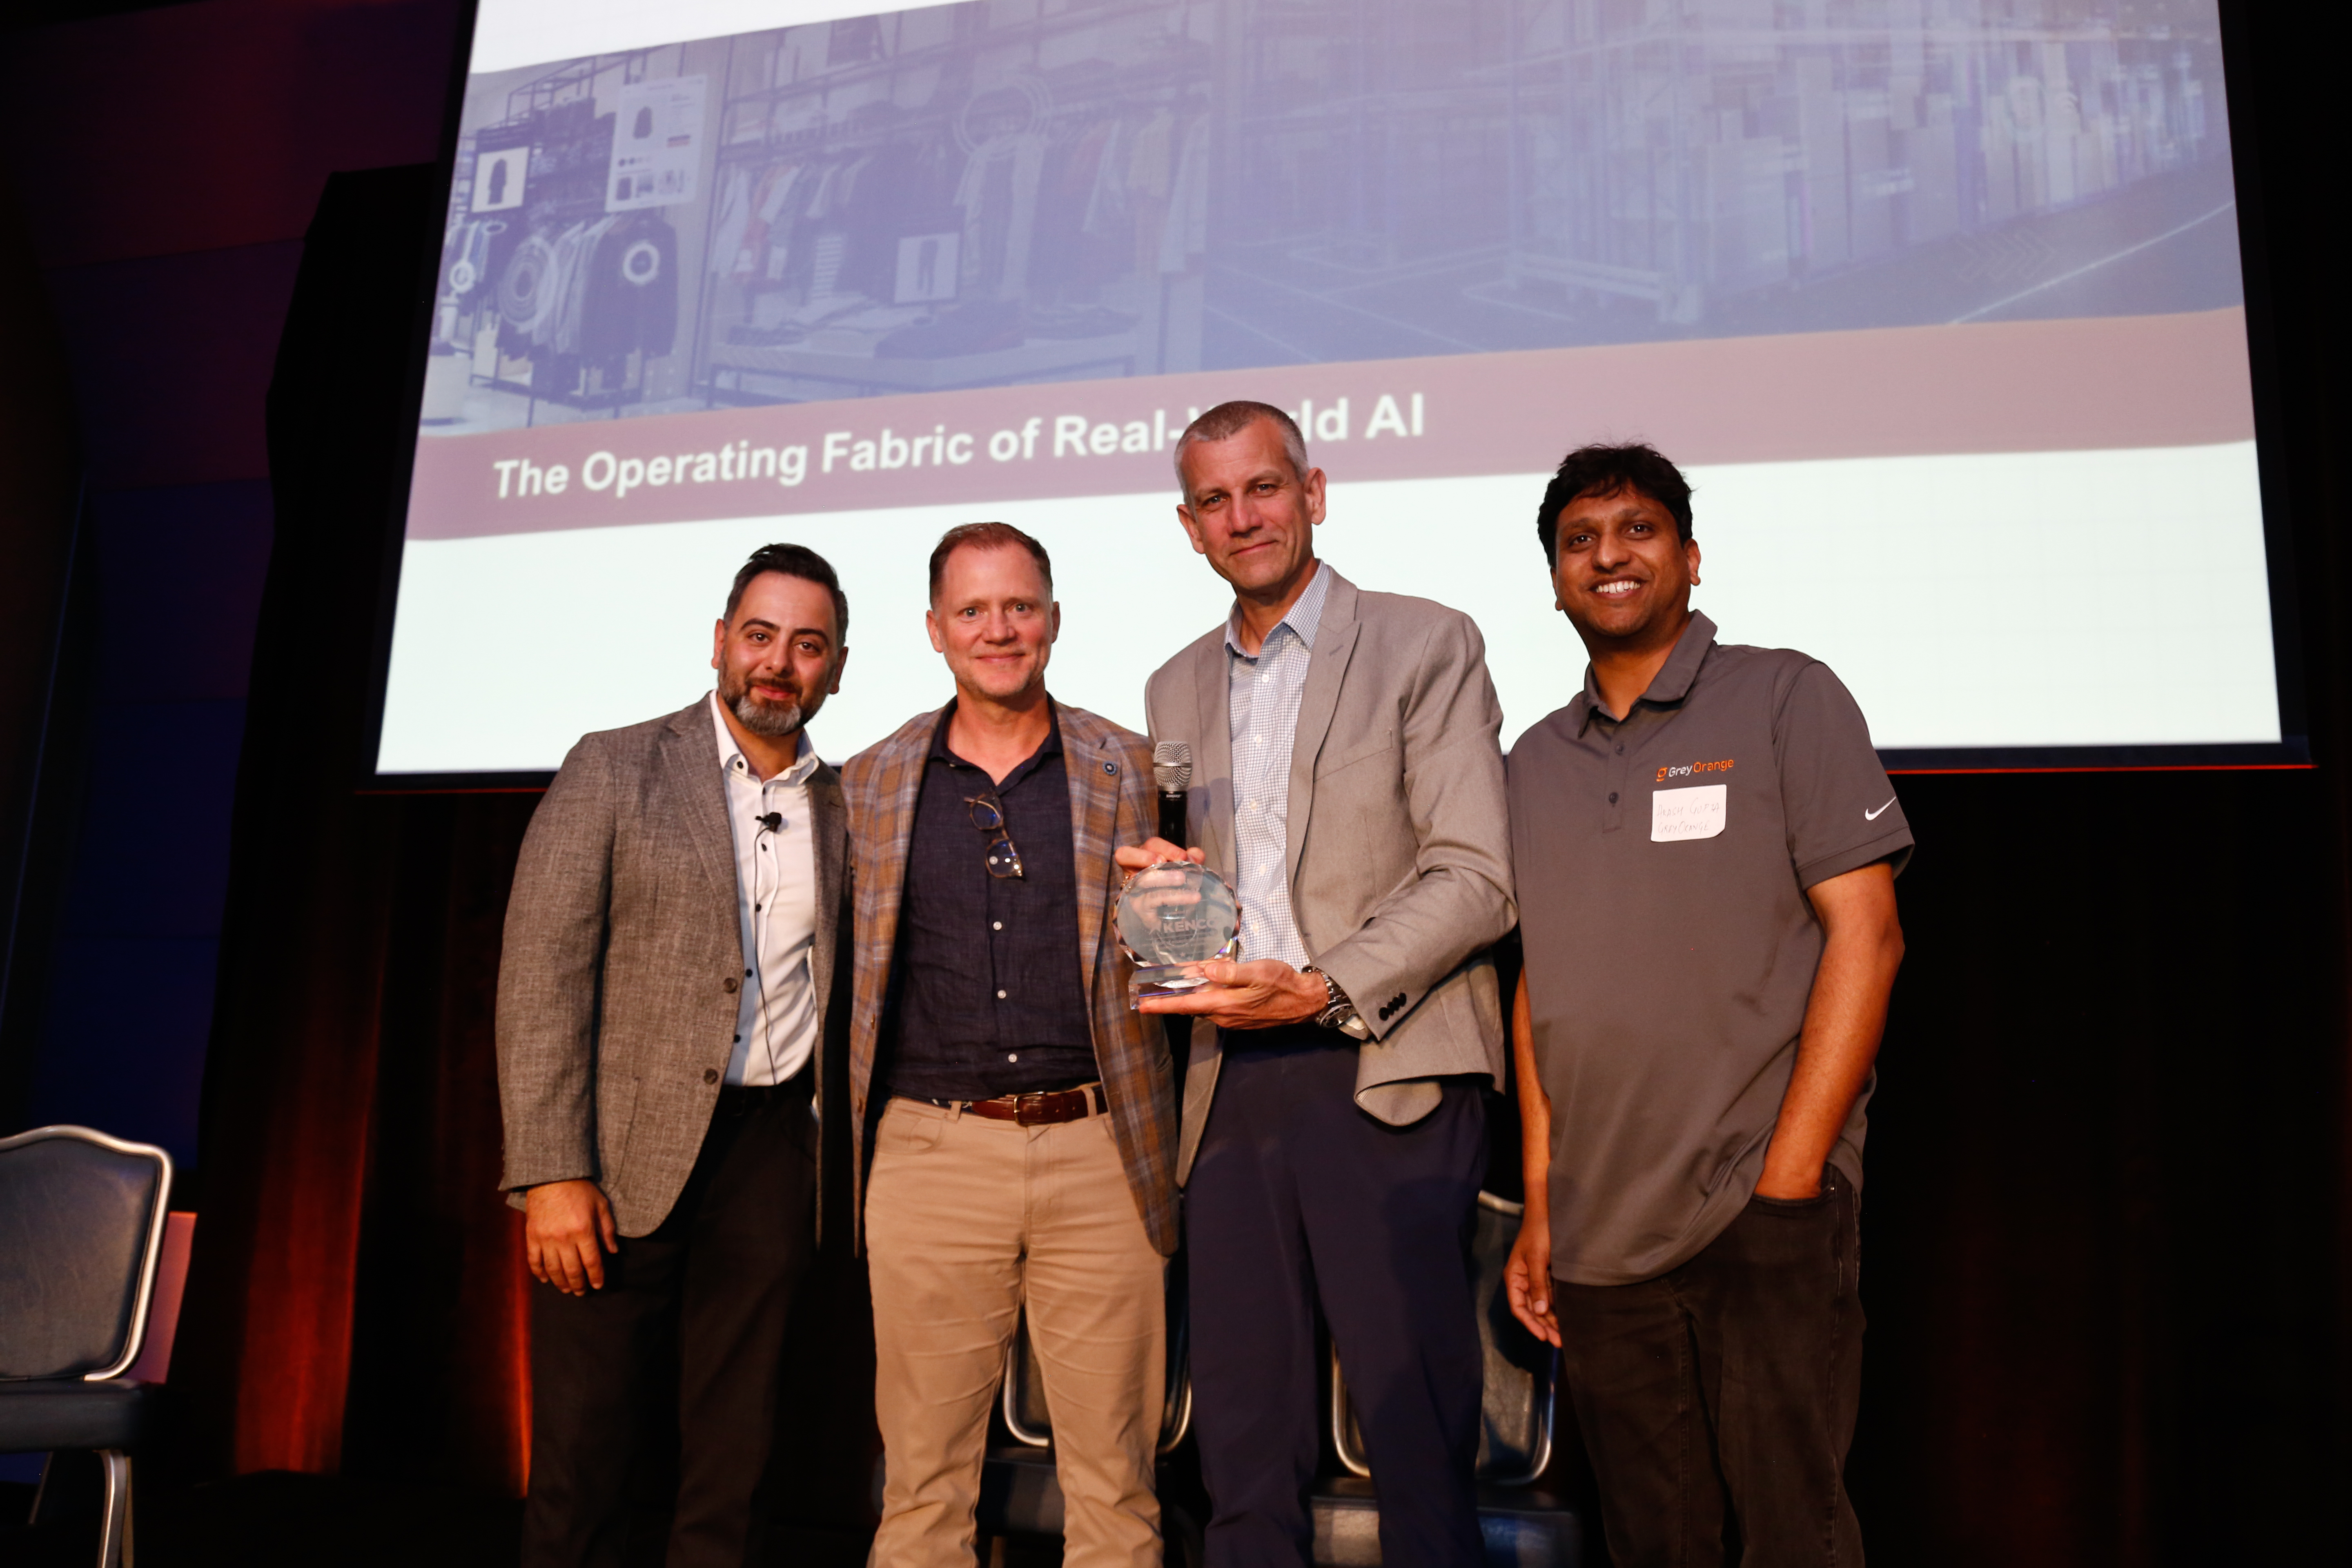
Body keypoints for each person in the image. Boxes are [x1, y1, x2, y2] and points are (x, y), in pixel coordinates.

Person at [1116, 402, 1515, 1567]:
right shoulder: (1172, 686)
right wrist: (1162, 902)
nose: (1243, 517)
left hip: (1383, 1069)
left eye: (1265, 488)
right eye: (1215, 500)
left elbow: (1479, 876)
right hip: (1229, 1083)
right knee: (1244, 1451)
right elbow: (1204, 888)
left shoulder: (1425, 641)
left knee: (1416, 1444)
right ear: (1189, 526)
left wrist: (1324, 986)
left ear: (1314, 493)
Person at [1501, 442, 1910, 1568]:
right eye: (1580, 540)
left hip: (1756, 1205)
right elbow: (1542, 984)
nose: (1609, 556)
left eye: (1637, 530)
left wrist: (1791, 1182)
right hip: (1600, 1232)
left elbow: (1869, 937)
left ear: (1690, 558)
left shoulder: (1785, 696)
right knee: (1651, 1545)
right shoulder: (1532, 760)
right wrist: (1542, 1203)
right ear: (1555, 581)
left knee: (1792, 1539)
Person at [495, 542, 854, 1568]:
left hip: (774, 1155)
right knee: (584, 1458)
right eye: (760, 636)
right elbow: (540, 975)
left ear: (836, 668)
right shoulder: (615, 766)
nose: (778, 663)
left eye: (807, 645)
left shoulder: (848, 805)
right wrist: (552, 1173)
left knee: (738, 1465)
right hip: (613, 1164)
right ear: (720, 642)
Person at [842, 522, 1178, 1568]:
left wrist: (1182, 916)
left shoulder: (1132, 766)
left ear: (1054, 621)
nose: (999, 630)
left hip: (1101, 1152)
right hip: (930, 1156)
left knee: (1117, 1496)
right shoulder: (868, 782)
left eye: (1020, 607)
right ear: (935, 629)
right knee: (922, 1496)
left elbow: (1187, 959)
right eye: (974, 611)